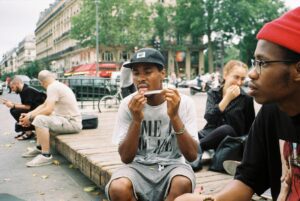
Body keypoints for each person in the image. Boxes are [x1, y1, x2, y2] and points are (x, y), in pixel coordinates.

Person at [175, 7, 300, 201]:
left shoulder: (249, 99)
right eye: (254, 62)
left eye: (263, 63)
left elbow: (246, 126)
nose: (252, 74)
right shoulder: (270, 111)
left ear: (298, 70)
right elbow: (248, 180)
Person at [105, 48, 199, 201]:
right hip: (138, 166)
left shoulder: (183, 102)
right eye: (136, 73)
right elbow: (126, 158)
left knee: (182, 183)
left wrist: (174, 116)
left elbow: (192, 155)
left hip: (173, 166)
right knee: (118, 188)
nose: (141, 78)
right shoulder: (127, 104)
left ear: (163, 73)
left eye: (147, 72)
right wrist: (136, 120)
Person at [194, 60, 255, 170]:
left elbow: (250, 128)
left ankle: (197, 148)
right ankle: (195, 148)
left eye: (242, 79)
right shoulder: (213, 93)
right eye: (236, 77)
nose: (239, 82)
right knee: (191, 134)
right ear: (226, 74)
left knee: (226, 129)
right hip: (210, 134)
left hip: (230, 139)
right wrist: (226, 99)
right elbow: (209, 117)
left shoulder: (246, 99)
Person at [19, 70, 82, 167]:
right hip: (66, 120)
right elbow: (44, 105)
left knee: (40, 119)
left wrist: (30, 117)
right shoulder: (55, 85)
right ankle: (40, 147)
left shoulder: (53, 87)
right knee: (39, 117)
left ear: (41, 82)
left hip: (72, 123)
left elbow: (48, 110)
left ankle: (46, 156)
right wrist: (29, 115)